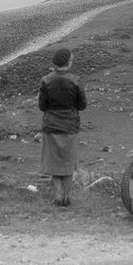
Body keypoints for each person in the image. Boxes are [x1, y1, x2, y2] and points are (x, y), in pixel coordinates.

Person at [38, 47, 87, 207]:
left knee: (54, 163)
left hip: (51, 125)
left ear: (55, 63)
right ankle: (67, 197)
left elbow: (42, 106)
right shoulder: (75, 80)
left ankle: (58, 196)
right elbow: (82, 105)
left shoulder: (45, 80)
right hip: (70, 127)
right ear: (69, 62)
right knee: (68, 164)